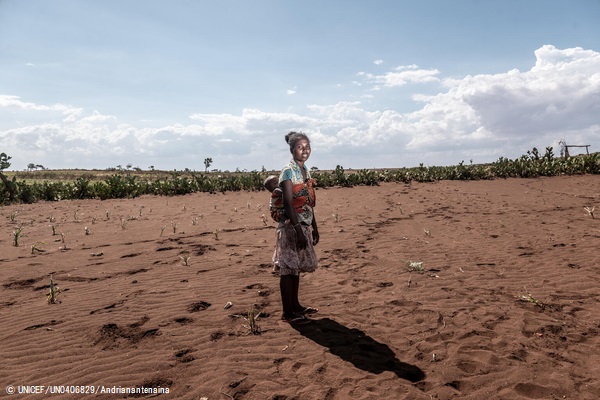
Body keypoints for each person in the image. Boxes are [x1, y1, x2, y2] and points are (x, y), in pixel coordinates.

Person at [273, 131, 320, 324]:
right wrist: (298, 230)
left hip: (303, 225)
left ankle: (296, 306)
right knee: (288, 269)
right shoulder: (288, 171)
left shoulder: (305, 170)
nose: (305, 150)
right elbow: (288, 203)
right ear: (293, 150)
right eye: (300, 147)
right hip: (290, 228)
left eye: (307, 147)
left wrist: (314, 227)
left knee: (296, 268)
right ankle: (288, 313)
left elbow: (308, 202)